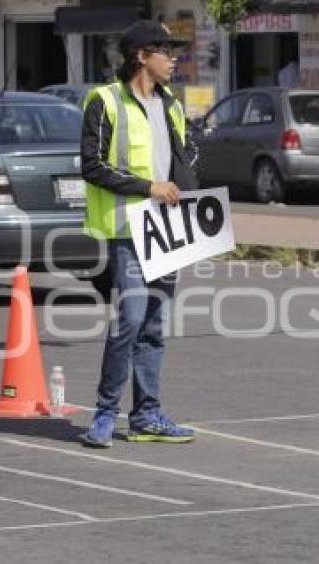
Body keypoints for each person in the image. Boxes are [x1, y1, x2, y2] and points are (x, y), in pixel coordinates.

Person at [79, 20, 199, 448]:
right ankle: (105, 413)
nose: (174, 59)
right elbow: (92, 166)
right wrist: (149, 188)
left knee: (153, 325)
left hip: (166, 231)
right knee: (129, 321)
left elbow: (182, 158)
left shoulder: (171, 104)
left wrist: (195, 206)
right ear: (141, 56)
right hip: (127, 229)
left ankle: (147, 415)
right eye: (166, 51)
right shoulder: (105, 101)